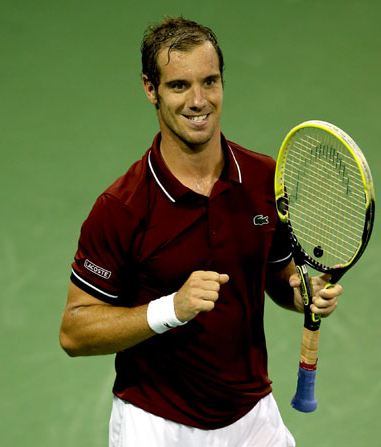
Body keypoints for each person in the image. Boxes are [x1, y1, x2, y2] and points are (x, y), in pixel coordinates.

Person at [59, 16, 343, 447]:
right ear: (150, 89)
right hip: (157, 424)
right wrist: (171, 308)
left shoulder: (265, 178)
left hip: (251, 416)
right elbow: (75, 332)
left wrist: (302, 292)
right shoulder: (122, 208)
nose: (198, 100)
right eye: (179, 86)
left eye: (210, 82)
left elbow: (279, 275)